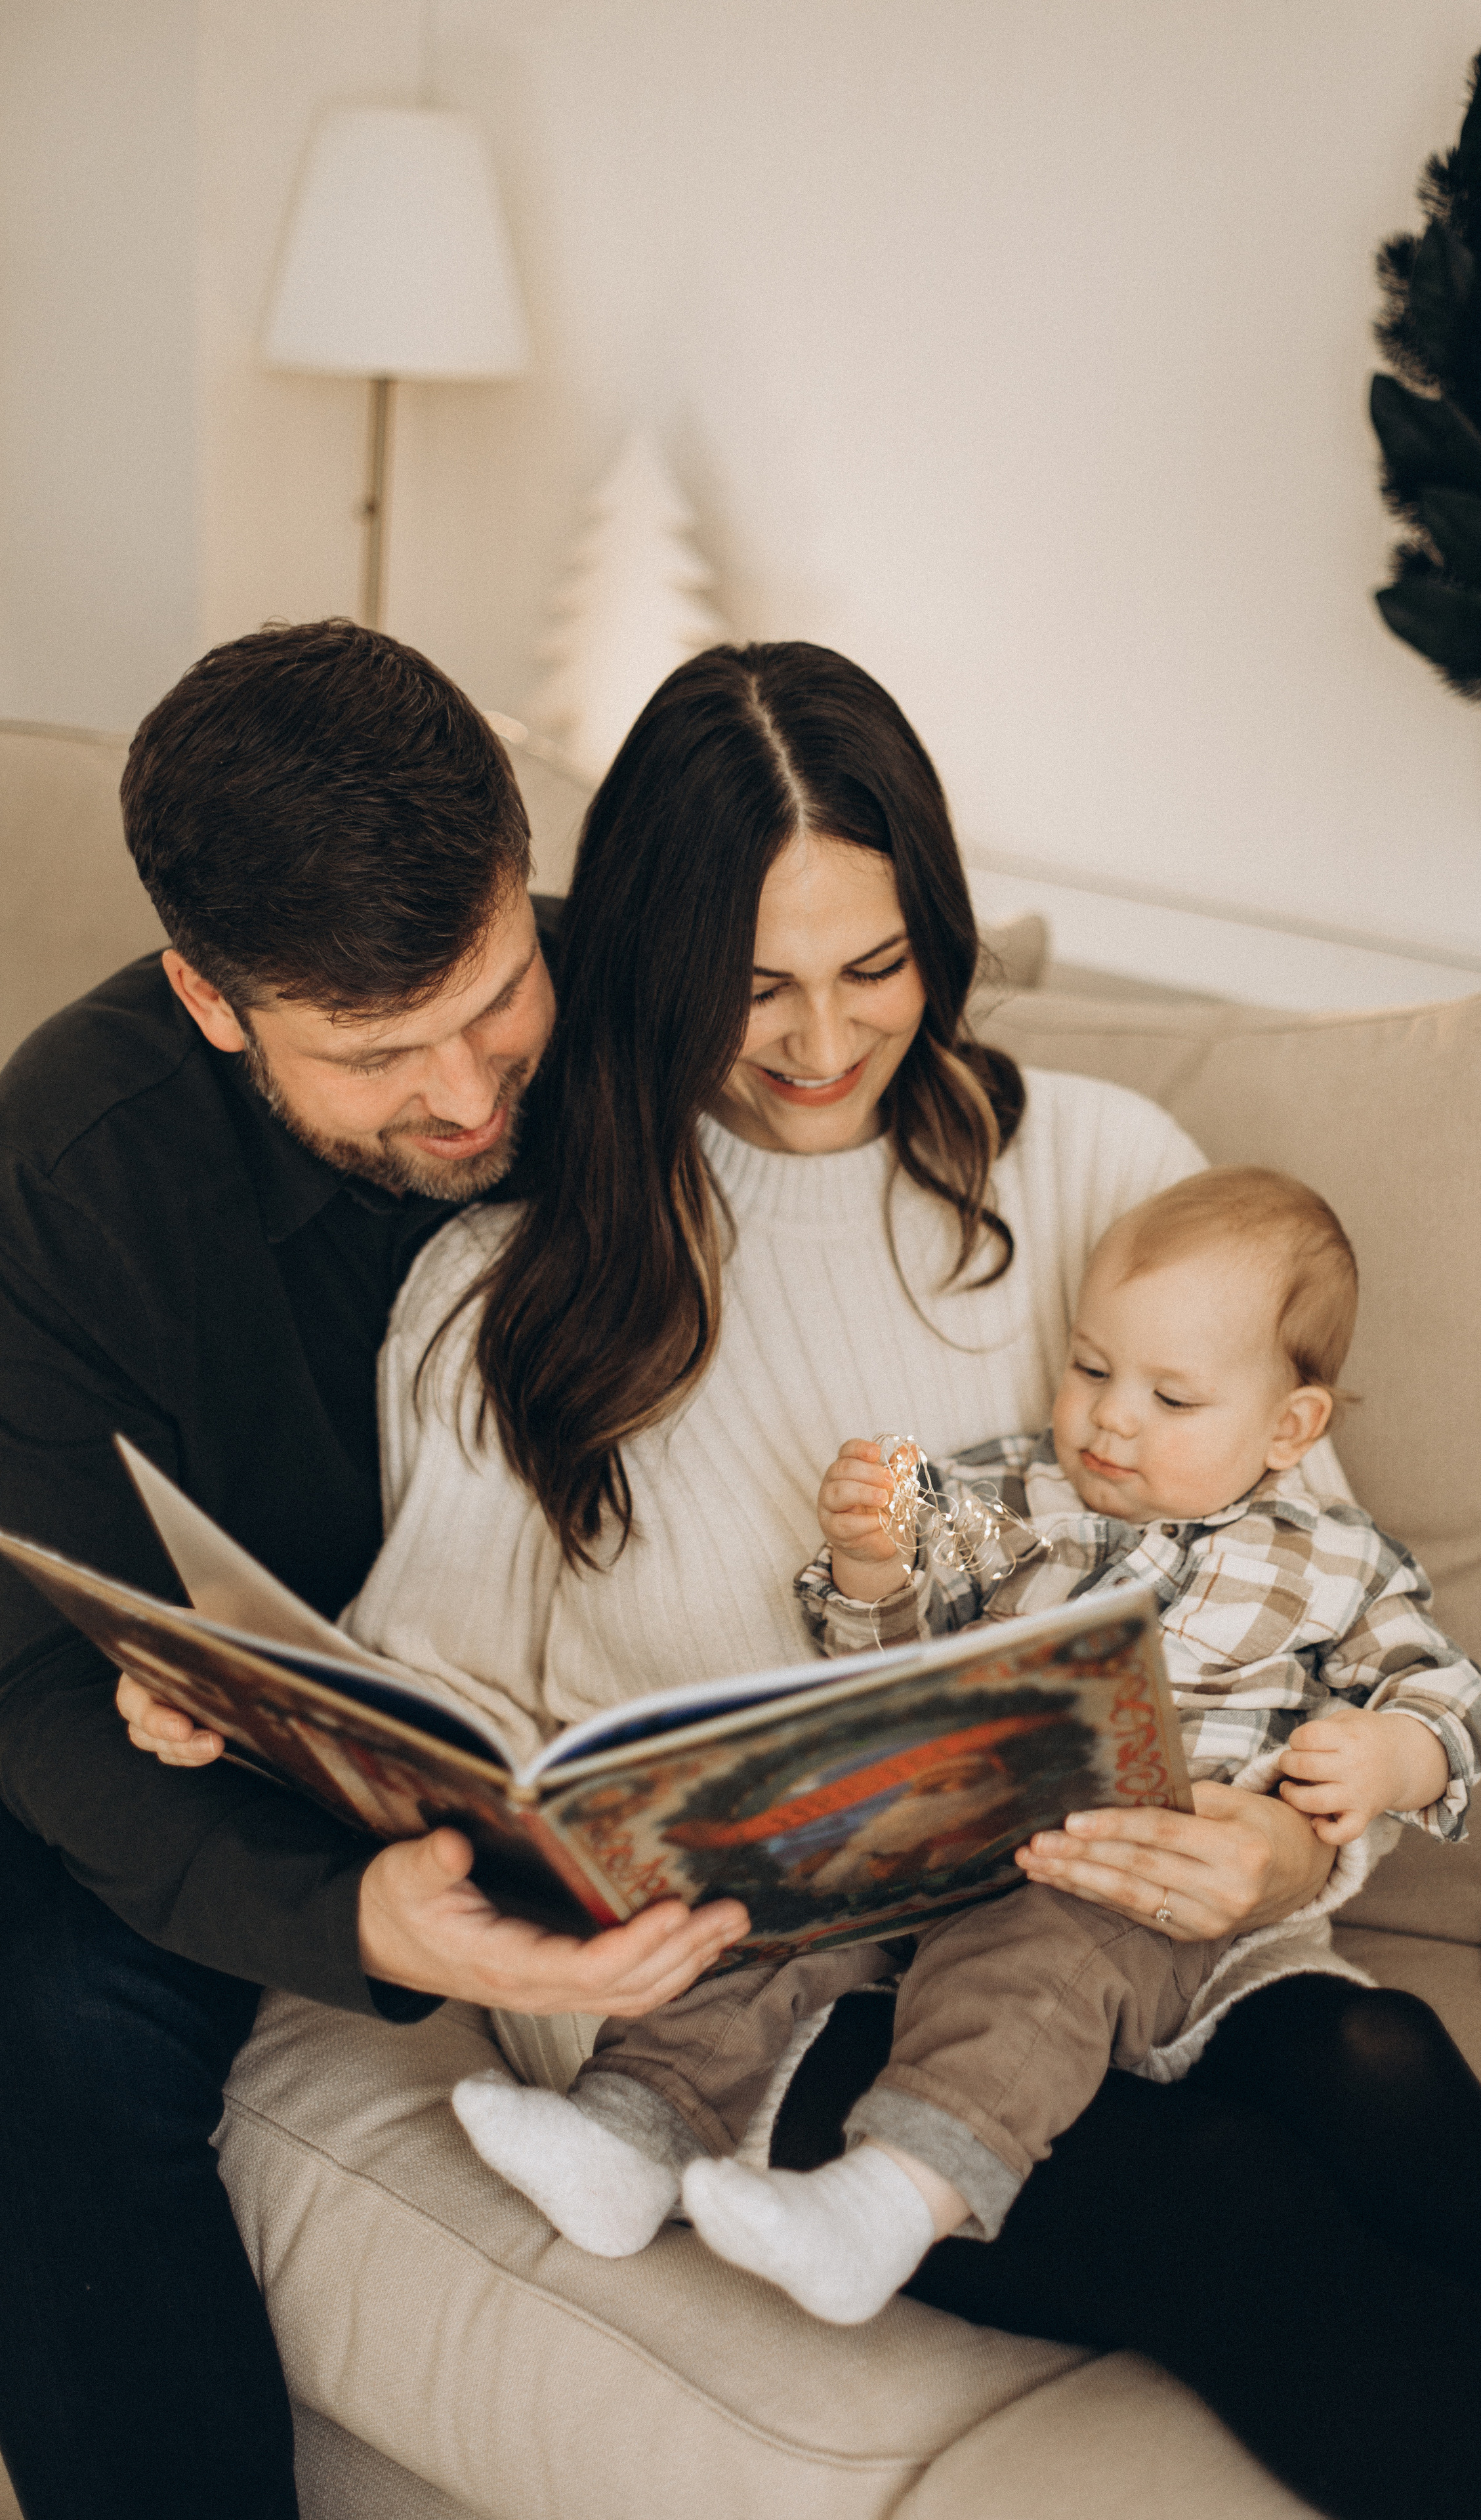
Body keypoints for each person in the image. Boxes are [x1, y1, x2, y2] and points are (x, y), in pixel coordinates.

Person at [321, 642, 1481, 2518]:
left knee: (1377, 2064)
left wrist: (1287, 1852)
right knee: (1215, 2205)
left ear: (938, 932)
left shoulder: (1102, 1171)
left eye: (874, 969)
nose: (820, 1042)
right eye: (755, 986)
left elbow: (1308, 1596)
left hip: (1132, 1925)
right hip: (753, 1985)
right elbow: (439, 1719)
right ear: (649, 963)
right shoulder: (504, 1297)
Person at [0, 621, 747, 2520]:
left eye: (490, 996)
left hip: (640, 1719)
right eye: (374, 1052)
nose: (468, 1097)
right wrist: (360, 1932)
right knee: (45, 2038)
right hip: (253, 1772)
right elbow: (26, 1681)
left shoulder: (662, 1024)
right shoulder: (67, 1180)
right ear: (209, 996)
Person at [448, 1166, 1481, 2327]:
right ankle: (625, 2135)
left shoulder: (1335, 1563)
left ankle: (890, 2199)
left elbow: (1446, 1694)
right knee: (766, 1912)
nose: (1112, 1416)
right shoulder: (1005, 1499)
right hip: (939, 1826)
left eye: (1173, 1398)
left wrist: (1391, 1759)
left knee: (1024, 1971)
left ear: (1290, 1426)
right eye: (1091, 1369)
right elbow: (884, 1662)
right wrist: (869, 1561)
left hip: (1127, 1889)